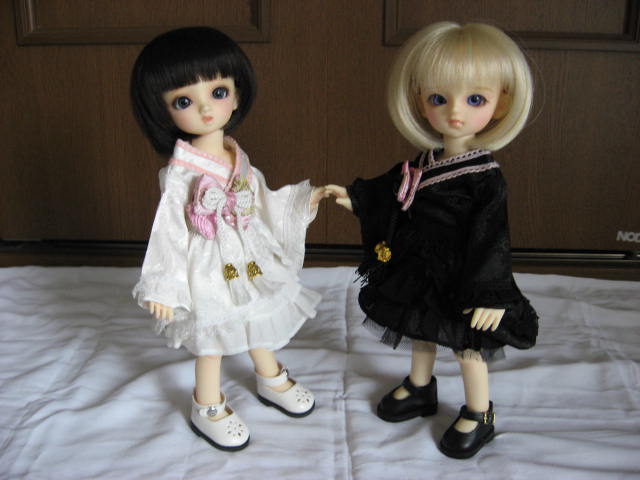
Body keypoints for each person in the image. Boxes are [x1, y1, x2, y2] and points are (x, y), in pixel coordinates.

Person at [326, 21, 538, 459]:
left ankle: (479, 412)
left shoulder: (485, 179)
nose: (455, 112)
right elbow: (391, 189)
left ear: (501, 103)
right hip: (420, 267)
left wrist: (490, 292)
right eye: (439, 99)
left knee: (466, 346)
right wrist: (356, 198)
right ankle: (421, 386)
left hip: (464, 275)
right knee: (418, 328)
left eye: (475, 99)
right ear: (420, 100)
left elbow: (492, 237)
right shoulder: (425, 160)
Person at [131, 27, 326, 451]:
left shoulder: (238, 157)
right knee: (213, 335)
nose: (205, 108)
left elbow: (262, 200)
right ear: (163, 111)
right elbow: (168, 231)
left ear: (236, 95)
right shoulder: (181, 173)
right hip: (207, 261)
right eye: (184, 101)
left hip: (248, 253)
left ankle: (269, 376)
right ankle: (207, 403)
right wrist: (164, 285)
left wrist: (300, 202)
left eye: (218, 92)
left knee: (257, 310)